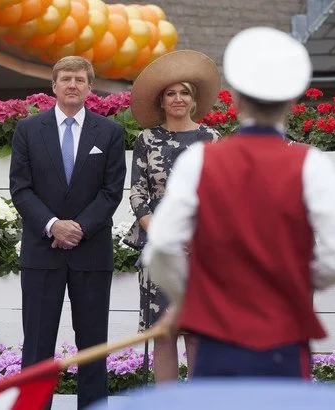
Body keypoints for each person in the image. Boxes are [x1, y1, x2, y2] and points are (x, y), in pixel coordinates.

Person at [142, 27, 335, 379]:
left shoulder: (199, 160)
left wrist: (192, 297)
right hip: (285, 341)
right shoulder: (312, 164)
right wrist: (289, 282)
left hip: (217, 335)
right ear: (292, 102)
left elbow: (160, 248)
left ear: (236, 100)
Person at [9, 56, 126, 408]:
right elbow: (21, 188)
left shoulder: (109, 132)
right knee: (38, 347)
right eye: (66, 79)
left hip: (91, 255)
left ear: (90, 87)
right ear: (54, 85)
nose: (72, 84)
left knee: (92, 347)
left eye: (79, 79)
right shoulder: (28, 130)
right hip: (42, 254)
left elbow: (112, 190)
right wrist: (52, 225)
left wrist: (80, 228)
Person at [123, 50, 221, 382]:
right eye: (171, 93)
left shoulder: (212, 139)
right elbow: (137, 193)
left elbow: (220, 196)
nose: (178, 99)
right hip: (160, 253)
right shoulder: (146, 140)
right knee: (162, 334)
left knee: (196, 333)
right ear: (161, 101)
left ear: (194, 101)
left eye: (184, 92)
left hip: (201, 252)